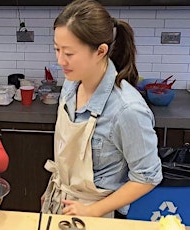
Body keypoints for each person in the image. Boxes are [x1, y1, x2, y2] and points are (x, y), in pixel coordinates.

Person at [41, 0, 162, 218]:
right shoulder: (71, 85)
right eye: (57, 50)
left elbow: (148, 177)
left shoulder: (127, 110)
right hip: (62, 205)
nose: (60, 61)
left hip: (99, 215)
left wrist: (91, 211)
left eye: (68, 53)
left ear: (100, 51)